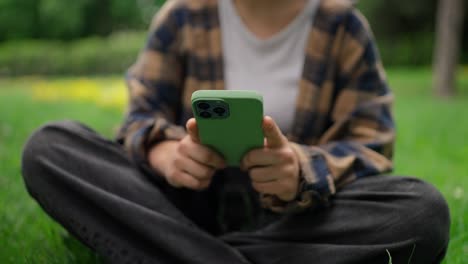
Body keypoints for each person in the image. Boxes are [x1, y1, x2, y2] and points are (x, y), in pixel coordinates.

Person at [21, 0, 450, 263]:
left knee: (422, 211)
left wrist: (300, 168)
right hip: (184, 207)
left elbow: (372, 144)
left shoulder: (344, 27)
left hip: (298, 221)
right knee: (50, 148)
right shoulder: (183, 15)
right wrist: (165, 153)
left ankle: (173, 252)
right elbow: (138, 117)